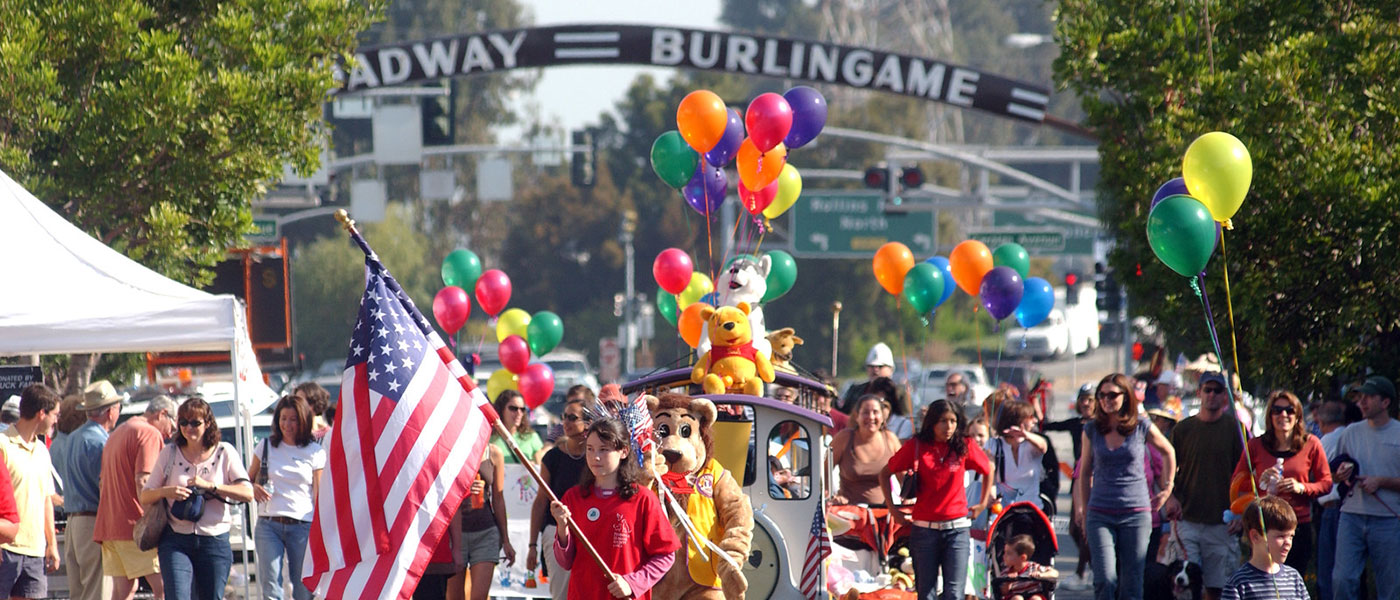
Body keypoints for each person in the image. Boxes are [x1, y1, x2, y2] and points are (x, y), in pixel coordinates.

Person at [549, 418, 680, 600]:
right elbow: (565, 562)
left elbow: (665, 556)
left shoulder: (643, 498)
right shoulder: (573, 497)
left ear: (624, 451)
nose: (595, 457)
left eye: (604, 450)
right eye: (590, 449)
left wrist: (633, 583)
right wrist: (562, 526)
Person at [1073, 373, 1176, 600]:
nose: (1106, 400)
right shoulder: (1091, 429)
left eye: (1112, 395)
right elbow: (1085, 471)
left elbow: (1168, 452)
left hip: (1135, 513)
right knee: (1105, 580)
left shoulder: (1141, 426)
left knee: (1132, 584)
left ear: (1125, 396)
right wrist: (1084, 508)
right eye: (1102, 395)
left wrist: (1167, 490)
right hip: (1100, 513)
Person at [140, 397, 254, 600]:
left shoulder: (224, 452)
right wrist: (168, 491)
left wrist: (211, 486)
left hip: (214, 539)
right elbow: (145, 495)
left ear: (208, 423)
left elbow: (247, 493)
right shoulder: (170, 453)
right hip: (175, 539)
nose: (188, 428)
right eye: (183, 422)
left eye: (195, 423)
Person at [879, 399, 993, 600]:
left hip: (957, 531)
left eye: (953, 421)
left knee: (954, 594)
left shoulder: (964, 445)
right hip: (924, 530)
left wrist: (983, 503)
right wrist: (893, 510)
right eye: (942, 421)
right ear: (932, 422)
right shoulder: (916, 445)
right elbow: (884, 473)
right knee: (926, 594)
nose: (948, 426)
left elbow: (988, 469)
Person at [1229, 390, 1331, 576]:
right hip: (1264, 525)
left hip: (1298, 525)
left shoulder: (1311, 443)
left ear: (1298, 415)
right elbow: (1237, 484)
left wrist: (1302, 487)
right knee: (1265, 580)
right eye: (1277, 410)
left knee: (1293, 579)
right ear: (1270, 415)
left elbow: (1326, 484)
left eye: (1289, 410)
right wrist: (1261, 484)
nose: (1283, 415)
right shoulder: (1256, 445)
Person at [1163, 371, 1244, 600]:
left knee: (1217, 588)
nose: (1211, 395)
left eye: (1217, 390)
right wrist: (1170, 497)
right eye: (1207, 390)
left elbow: (1248, 473)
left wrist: (1241, 513)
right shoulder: (1182, 429)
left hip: (1222, 522)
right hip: (1186, 518)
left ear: (1225, 397)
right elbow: (1165, 470)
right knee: (1182, 584)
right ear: (1198, 393)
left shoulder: (1235, 429)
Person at [95, 394, 177, 600]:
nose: (170, 434)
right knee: (165, 588)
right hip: (135, 526)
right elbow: (143, 481)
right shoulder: (149, 433)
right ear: (163, 414)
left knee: (123, 592)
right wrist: (153, 522)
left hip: (109, 525)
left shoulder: (118, 432)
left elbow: (102, 482)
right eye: (172, 427)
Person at [1330, 374, 1400, 600]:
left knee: (1390, 588)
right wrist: (1339, 475)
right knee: (1342, 581)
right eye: (1360, 397)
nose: (1361, 402)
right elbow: (1333, 473)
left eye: (1369, 397)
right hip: (1351, 516)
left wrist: (1381, 481)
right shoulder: (1350, 432)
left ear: (1386, 402)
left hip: (1389, 519)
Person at [248, 395, 325, 600]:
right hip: (268, 523)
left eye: (293, 419)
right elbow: (244, 481)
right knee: (271, 583)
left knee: (302, 586)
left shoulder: (314, 452)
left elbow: (319, 493)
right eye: (283, 418)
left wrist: (321, 529)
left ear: (303, 421)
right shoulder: (265, 446)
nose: (287, 424)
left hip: (302, 525)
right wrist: (253, 487)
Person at [60, 380, 126, 600]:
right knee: (98, 592)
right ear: (110, 411)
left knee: (79, 593)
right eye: (118, 407)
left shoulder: (72, 438)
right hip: (94, 523)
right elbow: (107, 488)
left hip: (74, 523)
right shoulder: (102, 442)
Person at [0, 384, 61, 600]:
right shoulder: (3, 445)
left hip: (35, 550)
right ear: (41, 413)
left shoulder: (43, 451)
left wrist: (51, 544)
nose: (56, 420)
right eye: (54, 414)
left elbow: (46, 499)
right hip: (5, 547)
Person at [528, 393, 589, 600]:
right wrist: (532, 545)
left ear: (588, 423)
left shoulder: (597, 458)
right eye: (564, 416)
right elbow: (540, 502)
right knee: (562, 595)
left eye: (573, 417)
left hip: (589, 532)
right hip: (556, 532)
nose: (566, 422)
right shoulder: (552, 457)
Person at [447, 442, 512, 600]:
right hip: (455, 535)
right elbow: (439, 491)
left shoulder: (493, 452)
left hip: (485, 532)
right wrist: (463, 491)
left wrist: (506, 540)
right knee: (454, 597)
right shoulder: (451, 446)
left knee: (480, 597)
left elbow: (498, 499)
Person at [1220, 496, 1307, 600]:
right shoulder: (1238, 583)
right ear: (1255, 536)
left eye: (1291, 536)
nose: (1288, 542)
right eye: (1280, 536)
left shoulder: (1294, 578)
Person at [830, 394, 900, 505]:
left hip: (883, 513)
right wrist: (832, 496)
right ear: (857, 416)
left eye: (875, 412)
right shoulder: (844, 438)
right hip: (847, 513)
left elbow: (903, 477)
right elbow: (823, 472)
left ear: (882, 417)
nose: (871, 417)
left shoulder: (891, 439)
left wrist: (908, 497)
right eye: (866, 412)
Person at [1313, 399, 1350, 600]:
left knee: (1327, 570)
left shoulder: (1323, 442)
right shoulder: (1351, 435)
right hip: (1351, 509)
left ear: (1320, 421)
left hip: (1331, 509)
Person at [987, 401, 1047, 509]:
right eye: (1030, 417)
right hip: (1003, 510)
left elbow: (1043, 446)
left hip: (1033, 509)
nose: (1035, 420)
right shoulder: (994, 444)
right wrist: (991, 492)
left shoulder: (1031, 443)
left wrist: (1026, 435)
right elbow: (989, 472)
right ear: (1018, 420)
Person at [838, 343, 911, 416]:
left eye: (880, 366)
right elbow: (843, 415)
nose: (875, 369)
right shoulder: (855, 390)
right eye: (871, 366)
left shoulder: (899, 393)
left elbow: (906, 418)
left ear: (891, 369)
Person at [997, 534, 1058, 600]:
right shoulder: (1006, 572)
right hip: (1014, 596)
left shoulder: (1033, 568)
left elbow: (1055, 573)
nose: (1004, 556)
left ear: (1022, 557)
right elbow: (1003, 592)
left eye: (1008, 553)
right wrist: (1008, 582)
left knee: (1036, 598)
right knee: (1017, 598)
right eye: (1005, 552)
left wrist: (1041, 575)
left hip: (1033, 594)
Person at [491, 390, 545, 464]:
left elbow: (541, 467)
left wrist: (533, 465)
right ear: (501, 409)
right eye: (513, 408)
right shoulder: (488, 438)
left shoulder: (531, 437)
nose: (519, 413)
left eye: (522, 409)